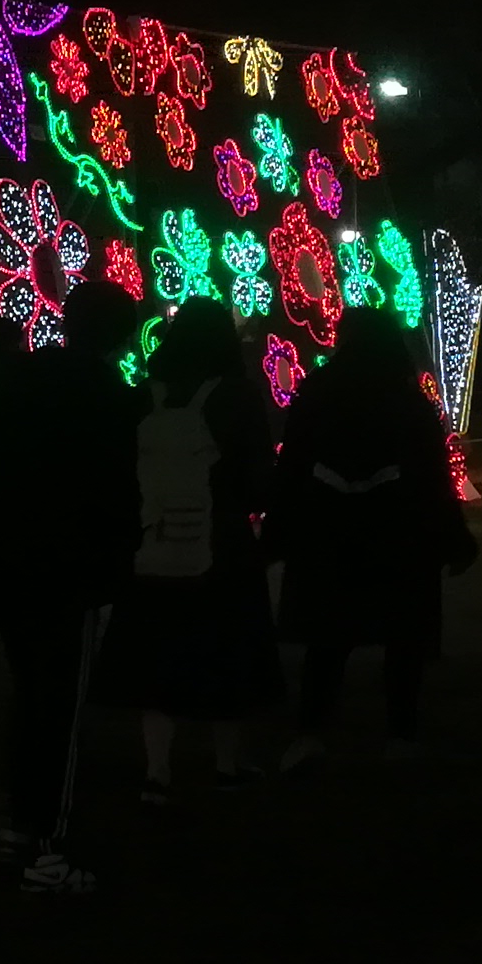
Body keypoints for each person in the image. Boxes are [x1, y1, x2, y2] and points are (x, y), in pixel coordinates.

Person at [0, 284, 144, 894]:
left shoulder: (18, 384)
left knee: (33, 694)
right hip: (65, 572)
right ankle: (47, 845)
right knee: (59, 707)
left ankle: (18, 823)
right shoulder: (102, 395)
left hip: (7, 570)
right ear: (120, 335)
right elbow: (115, 489)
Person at [91, 300, 282, 798]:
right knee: (226, 652)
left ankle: (157, 771)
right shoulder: (237, 395)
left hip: (152, 541)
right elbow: (259, 479)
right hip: (222, 543)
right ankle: (227, 765)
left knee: (157, 656)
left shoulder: (144, 395)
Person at [269, 309, 473, 762]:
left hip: (329, 531)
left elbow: (292, 465)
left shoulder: (318, 392)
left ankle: (310, 733)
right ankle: (400, 735)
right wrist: (453, 535)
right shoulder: (407, 401)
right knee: (403, 640)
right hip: (399, 534)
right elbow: (433, 476)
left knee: (327, 639)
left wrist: (279, 530)